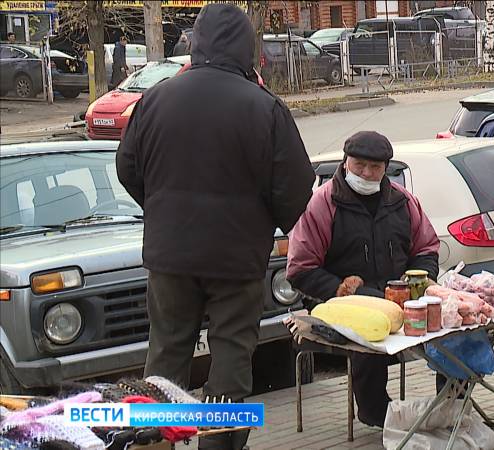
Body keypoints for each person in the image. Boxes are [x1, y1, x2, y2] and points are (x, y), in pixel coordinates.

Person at [116, 3, 314, 449]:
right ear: (247, 47)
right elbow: (296, 186)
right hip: (236, 259)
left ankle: (154, 442)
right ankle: (219, 445)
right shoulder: (264, 107)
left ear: (196, 41)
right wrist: (267, 223)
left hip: (170, 258)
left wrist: (162, 210)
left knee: (165, 353)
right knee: (231, 357)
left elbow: (127, 168)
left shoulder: (156, 98)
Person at [287, 130, 440, 427]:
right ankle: (376, 413)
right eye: (360, 166)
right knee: (368, 339)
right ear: (346, 163)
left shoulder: (403, 201)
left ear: (386, 169)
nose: (367, 173)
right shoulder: (322, 203)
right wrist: (341, 290)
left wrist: (422, 281)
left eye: (375, 168)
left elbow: (426, 248)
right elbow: (300, 269)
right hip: (342, 303)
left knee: (449, 330)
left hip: (400, 298)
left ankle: (451, 403)